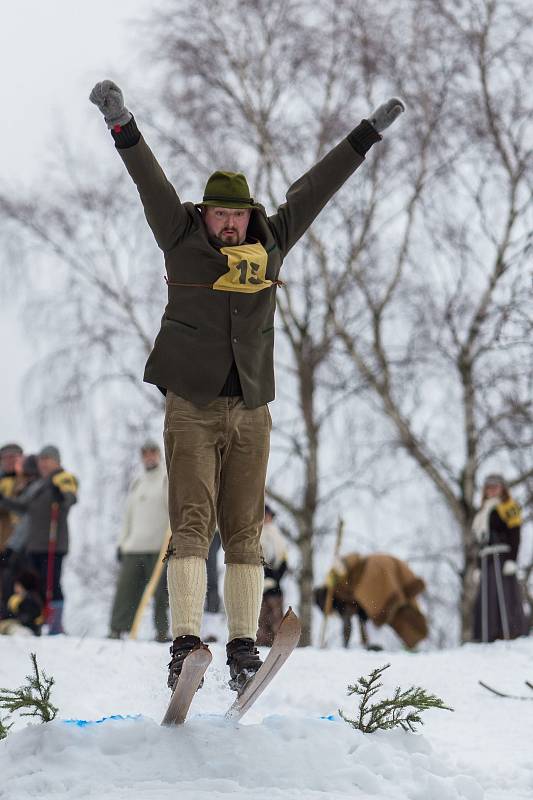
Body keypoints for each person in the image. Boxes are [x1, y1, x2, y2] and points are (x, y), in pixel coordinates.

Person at [89, 78, 405, 693]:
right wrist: (121, 121)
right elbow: (149, 181)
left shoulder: (272, 244)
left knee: (244, 531)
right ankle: (184, 642)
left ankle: (240, 647)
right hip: (192, 407)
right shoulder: (181, 240)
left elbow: (316, 187)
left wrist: (367, 133)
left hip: (252, 410)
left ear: (249, 216)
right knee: (190, 521)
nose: (229, 225)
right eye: (220, 215)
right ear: (204, 216)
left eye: (237, 214)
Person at [0, 445, 78, 635]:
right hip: (34, 545)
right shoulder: (38, 484)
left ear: (56, 461)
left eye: (47, 460)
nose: (43, 464)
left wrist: (63, 496)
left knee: (52, 583)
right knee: (39, 585)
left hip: (52, 543)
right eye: (41, 460)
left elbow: (70, 497)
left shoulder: (62, 477)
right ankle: (39, 620)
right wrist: (4, 500)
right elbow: (22, 507)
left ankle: (56, 625)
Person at [109, 441, 170, 642]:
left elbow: (173, 510)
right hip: (134, 547)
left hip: (158, 547)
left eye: (153, 453)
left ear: (158, 455)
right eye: (145, 454)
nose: (149, 457)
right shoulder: (138, 482)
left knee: (161, 593)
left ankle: (162, 632)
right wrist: (121, 543)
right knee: (126, 590)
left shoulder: (166, 478)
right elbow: (129, 515)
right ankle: (117, 629)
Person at [314, 552, 428, 649]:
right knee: (398, 607)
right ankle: (414, 641)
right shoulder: (342, 585)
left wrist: (347, 645)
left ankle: (404, 642)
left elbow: (351, 617)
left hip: (373, 574)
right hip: (381, 564)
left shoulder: (337, 588)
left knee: (385, 610)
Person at [472, 474, 527, 642]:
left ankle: (509, 632)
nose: (492, 490)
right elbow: (479, 542)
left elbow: (515, 533)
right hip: (486, 558)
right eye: (489, 487)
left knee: (504, 594)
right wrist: (477, 567)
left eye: (495, 486)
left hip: (502, 557)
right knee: (487, 597)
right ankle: (487, 634)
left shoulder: (509, 507)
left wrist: (512, 559)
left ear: (503, 488)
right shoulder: (482, 512)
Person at [0, 454, 40, 619]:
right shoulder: (28, 488)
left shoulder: (35, 489)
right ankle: (11, 612)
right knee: (10, 576)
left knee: (17, 578)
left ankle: (21, 615)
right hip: (17, 542)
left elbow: (24, 515)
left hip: (24, 544)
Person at [256, 504, 288, 646]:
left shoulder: (276, 534)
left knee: (276, 617)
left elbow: (283, 558)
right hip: (261, 580)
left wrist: (275, 577)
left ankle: (277, 643)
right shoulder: (258, 533)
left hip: (275, 581)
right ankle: (261, 643)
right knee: (261, 618)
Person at [0, 567, 43, 637]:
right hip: (20, 624)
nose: (15, 587)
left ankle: (23, 634)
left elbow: (27, 617)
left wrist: (12, 618)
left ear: (23, 585)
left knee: (11, 627)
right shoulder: (17, 598)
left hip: (30, 628)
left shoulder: (30, 599)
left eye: (17, 585)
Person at [0, 443, 24, 553]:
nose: (10, 461)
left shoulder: (26, 481)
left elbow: (20, 505)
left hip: (18, 542)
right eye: (5, 458)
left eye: (13, 457)